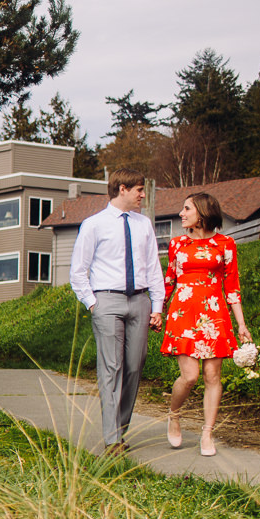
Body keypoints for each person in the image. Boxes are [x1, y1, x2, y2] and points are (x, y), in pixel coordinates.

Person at [68, 169, 165, 454]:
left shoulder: (144, 224)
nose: (143, 195)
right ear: (122, 189)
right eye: (138, 189)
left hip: (139, 301)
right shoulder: (94, 225)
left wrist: (156, 306)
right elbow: (78, 271)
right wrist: (93, 303)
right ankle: (112, 439)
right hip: (107, 302)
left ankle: (120, 429)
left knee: (135, 366)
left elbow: (152, 267)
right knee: (111, 367)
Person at [161, 191, 251, 456]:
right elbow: (169, 281)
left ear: (201, 212)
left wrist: (241, 324)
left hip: (214, 314)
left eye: (186, 209)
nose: (181, 213)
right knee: (190, 377)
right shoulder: (177, 244)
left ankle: (207, 433)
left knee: (213, 376)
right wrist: (158, 311)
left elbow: (232, 288)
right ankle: (174, 415)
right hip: (183, 313)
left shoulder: (226, 244)